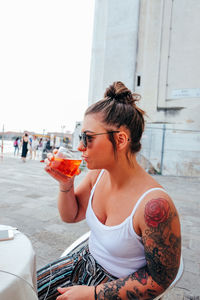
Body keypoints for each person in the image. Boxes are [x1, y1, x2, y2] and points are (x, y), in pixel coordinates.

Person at [37, 81, 181, 300]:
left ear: (120, 139)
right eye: (80, 137)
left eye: (88, 138)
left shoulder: (154, 206)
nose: (80, 147)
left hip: (115, 288)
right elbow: (71, 215)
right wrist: (65, 185)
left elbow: (160, 279)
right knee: (22, 289)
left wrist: (93, 293)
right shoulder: (98, 175)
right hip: (83, 262)